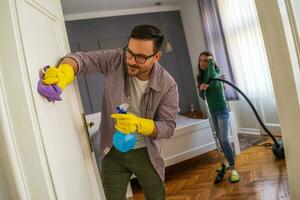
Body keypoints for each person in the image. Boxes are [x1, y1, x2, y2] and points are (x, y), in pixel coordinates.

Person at [39, 24, 179, 199]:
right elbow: (81, 59)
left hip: (146, 154)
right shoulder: (116, 59)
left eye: (140, 57)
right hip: (112, 151)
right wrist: (64, 72)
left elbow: (168, 127)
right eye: (130, 52)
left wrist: (140, 124)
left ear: (156, 57)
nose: (131, 60)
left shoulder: (168, 84)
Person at [197, 51, 240, 183]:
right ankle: (227, 161)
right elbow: (203, 96)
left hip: (221, 110)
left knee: (224, 139)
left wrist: (211, 62)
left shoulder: (215, 73)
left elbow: (214, 83)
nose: (203, 63)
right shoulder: (201, 76)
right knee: (219, 139)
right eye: (201, 60)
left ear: (211, 62)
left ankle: (233, 168)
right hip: (212, 111)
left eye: (206, 60)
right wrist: (201, 88)